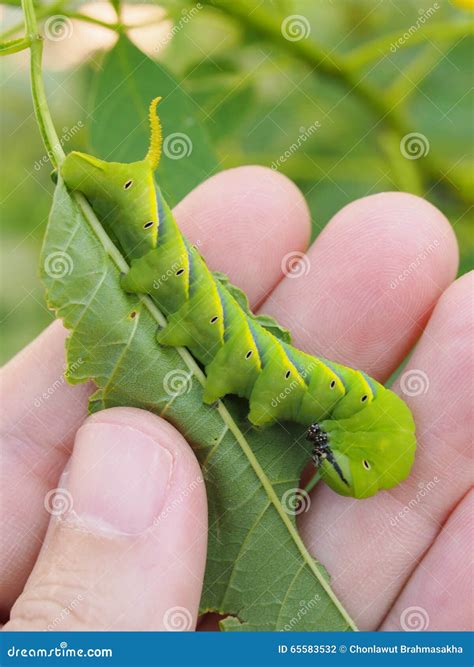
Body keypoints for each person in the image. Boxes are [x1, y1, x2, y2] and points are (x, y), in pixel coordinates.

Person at [1, 167, 472, 631]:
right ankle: (126, 191)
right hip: (174, 270)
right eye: (338, 459)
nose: (320, 453)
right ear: (358, 432)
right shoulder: (291, 385)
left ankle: (124, 189)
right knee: (187, 274)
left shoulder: (308, 392)